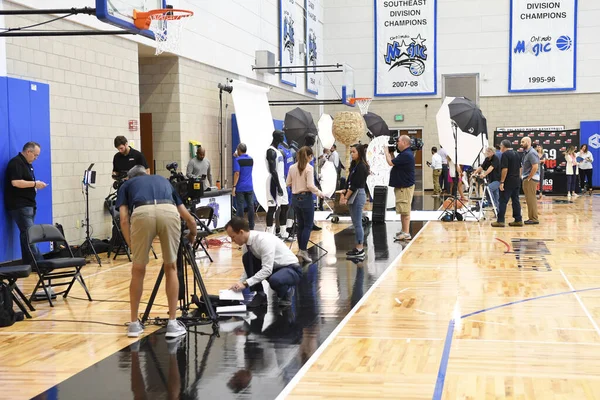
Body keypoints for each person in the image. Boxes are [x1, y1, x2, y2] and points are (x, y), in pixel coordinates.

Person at [117, 166, 197, 338]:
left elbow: (123, 219)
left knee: (138, 270)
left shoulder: (127, 185)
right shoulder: (163, 180)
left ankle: (133, 324)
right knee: (171, 267)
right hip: (169, 211)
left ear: (129, 178)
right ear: (146, 173)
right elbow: (187, 216)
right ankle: (173, 323)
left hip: (142, 212)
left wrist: (131, 244)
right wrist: (192, 234)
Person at [227, 217, 302, 308]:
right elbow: (248, 269)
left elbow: (267, 270)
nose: (232, 240)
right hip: (274, 268)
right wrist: (239, 283)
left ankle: (287, 291)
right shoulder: (246, 245)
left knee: (275, 280)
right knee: (247, 258)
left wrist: (245, 284)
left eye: (233, 237)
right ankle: (260, 294)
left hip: (291, 268)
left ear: (241, 232)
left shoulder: (263, 240)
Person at [4, 142, 48, 264]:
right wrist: (35, 184)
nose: (36, 158)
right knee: (30, 234)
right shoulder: (16, 163)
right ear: (28, 152)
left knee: (26, 235)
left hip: (29, 204)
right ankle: (40, 263)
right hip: (20, 205)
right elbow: (16, 182)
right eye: (35, 155)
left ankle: (29, 263)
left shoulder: (28, 165)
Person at [286, 146, 323, 263]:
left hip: (295, 198)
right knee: (308, 225)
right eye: (310, 155)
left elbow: (287, 183)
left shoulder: (292, 167)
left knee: (301, 225)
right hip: (306, 198)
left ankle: (300, 250)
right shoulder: (309, 168)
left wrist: (296, 184)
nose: (311, 158)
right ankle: (303, 250)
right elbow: (311, 186)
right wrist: (320, 193)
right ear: (308, 156)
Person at [340, 144, 369, 259]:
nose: (351, 154)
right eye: (351, 152)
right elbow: (349, 182)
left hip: (358, 194)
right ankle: (357, 247)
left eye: (354, 152)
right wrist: (344, 192)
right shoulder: (355, 165)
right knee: (355, 222)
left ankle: (360, 248)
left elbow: (355, 185)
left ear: (360, 153)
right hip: (353, 194)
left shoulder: (362, 166)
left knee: (357, 223)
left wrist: (346, 197)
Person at [385, 135, 415, 241]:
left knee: (405, 211)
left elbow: (390, 163)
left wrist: (386, 152)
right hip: (402, 186)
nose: (396, 143)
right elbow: (395, 162)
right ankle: (403, 231)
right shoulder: (404, 154)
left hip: (405, 187)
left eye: (398, 141)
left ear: (404, 143)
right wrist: (392, 153)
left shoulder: (406, 154)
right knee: (402, 210)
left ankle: (406, 233)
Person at [491, 140, 523, 228]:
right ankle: (518, 220)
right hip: (516, 180)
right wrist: (519, 177)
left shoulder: (505, 154)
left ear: (503, 146)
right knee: (515, 200)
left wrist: (502, 182)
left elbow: (505, 169)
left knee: (502, 201)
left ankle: (500, 221)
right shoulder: (517, 154)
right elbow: (520, 167)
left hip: (508, 181)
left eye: (500, 146)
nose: (500, 148)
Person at [265, 131, 287, 235]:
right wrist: (279, 186)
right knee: (272, 208)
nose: (283, 137)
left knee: (285, 206)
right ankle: (270, 233)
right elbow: (273, 170)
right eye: (281, 136)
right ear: (276, 137)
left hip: (282, 180)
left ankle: (283, 232)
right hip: (274, 182)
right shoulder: (271, 151)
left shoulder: (279, 151)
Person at [232, 143, 255, 230]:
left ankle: (240, 226)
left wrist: (234, 186)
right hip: (249, 186)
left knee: (240, 206)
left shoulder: (237, 160)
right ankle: (251, 225)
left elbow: (237, 173)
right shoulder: (251, 159)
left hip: (240, 187)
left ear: (238, 150)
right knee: (250, 206)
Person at [520, 137, 540, 224]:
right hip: (527, 177)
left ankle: (534, 218)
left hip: (530, 178)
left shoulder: (531, 153)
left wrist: (529, 177)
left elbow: (535, 166)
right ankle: (531, 217)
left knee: (531, 199)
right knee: (529, 199)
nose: (521, 143)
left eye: (523, 142)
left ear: (528, 142)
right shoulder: (526, 153)